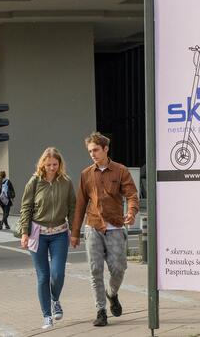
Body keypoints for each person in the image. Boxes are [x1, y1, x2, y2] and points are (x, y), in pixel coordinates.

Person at [71, 132, 139, 327]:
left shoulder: (120, 171)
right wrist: (75, 233)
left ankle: (112, 293)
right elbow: (80, 205)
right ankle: (101, 310)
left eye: (96, 150)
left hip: (116, 226)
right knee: (95, 270)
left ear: (105, 149)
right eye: (90, 151)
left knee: (119, 268)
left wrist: (132, 212)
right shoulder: (85, 174)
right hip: (93, 226)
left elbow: (132, 195)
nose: (92, 154)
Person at [19, 148, 76, 330]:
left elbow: (72, 208)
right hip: (38, 234)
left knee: (58, 273)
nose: (52, 168)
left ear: (60, 164)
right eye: (49, 164)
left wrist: (75, 231)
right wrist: (24, 232)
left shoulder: (66, 182)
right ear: (43, 163)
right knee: (43, 276)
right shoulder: (34, 182)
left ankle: (55, 299)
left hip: (59, 233)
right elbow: (26, 208)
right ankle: (46, 316)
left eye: (55, 164)